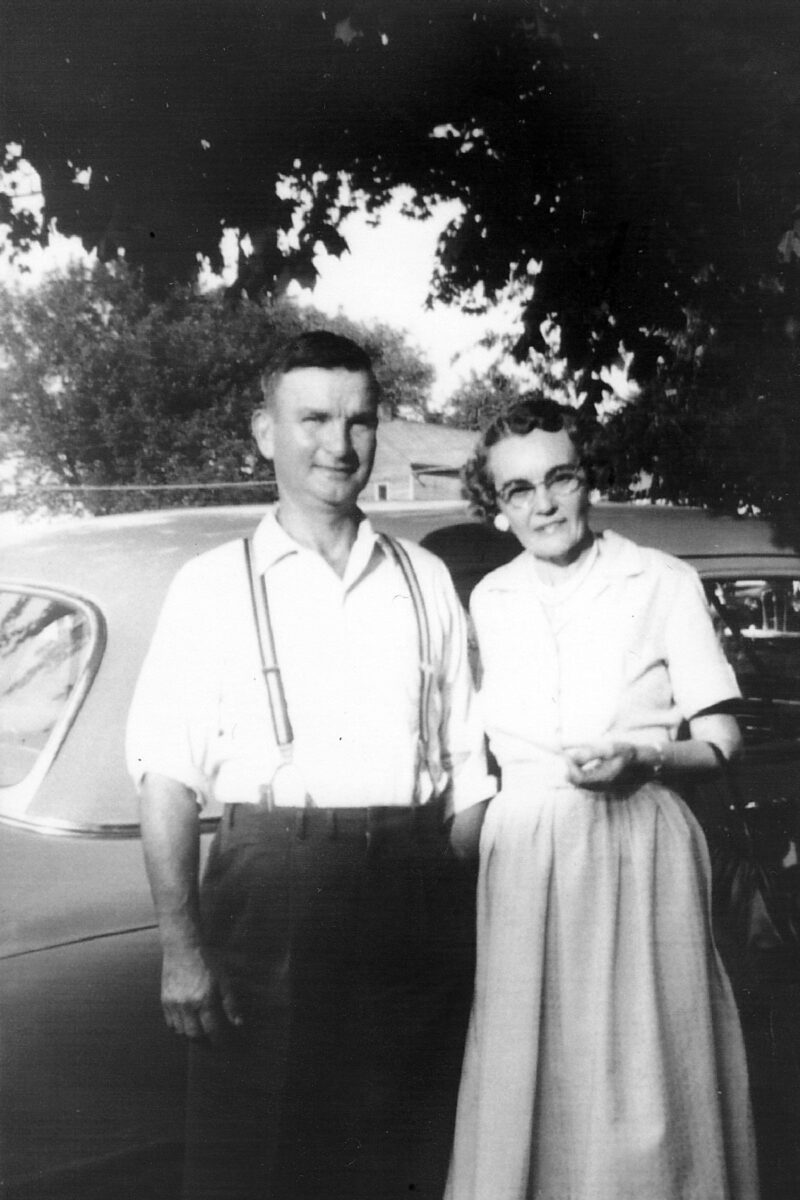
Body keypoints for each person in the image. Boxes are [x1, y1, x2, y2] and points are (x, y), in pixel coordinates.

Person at [126, 331, 495, 1200]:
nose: (339, 444)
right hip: (274, 885)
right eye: (315, 419)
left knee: (405, 1144)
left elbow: (468, 763)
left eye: (360, 421)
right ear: (266, 432)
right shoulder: (212, 585)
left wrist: (460, 901)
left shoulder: (425, 577)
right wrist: (182, 949)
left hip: (415, 885)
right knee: (258, 1154)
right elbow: (168, 779)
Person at [445, 397, 759, 1200]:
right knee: (535, 1068)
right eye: (518, 491)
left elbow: (722, 736)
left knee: (640, 1073)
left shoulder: (659, 579)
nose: (543, 504)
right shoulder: (491, 600)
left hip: (636, 840)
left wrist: (643, 755)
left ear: (590, 483)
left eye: (560, 478)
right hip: (524, 856)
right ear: (498, 509)